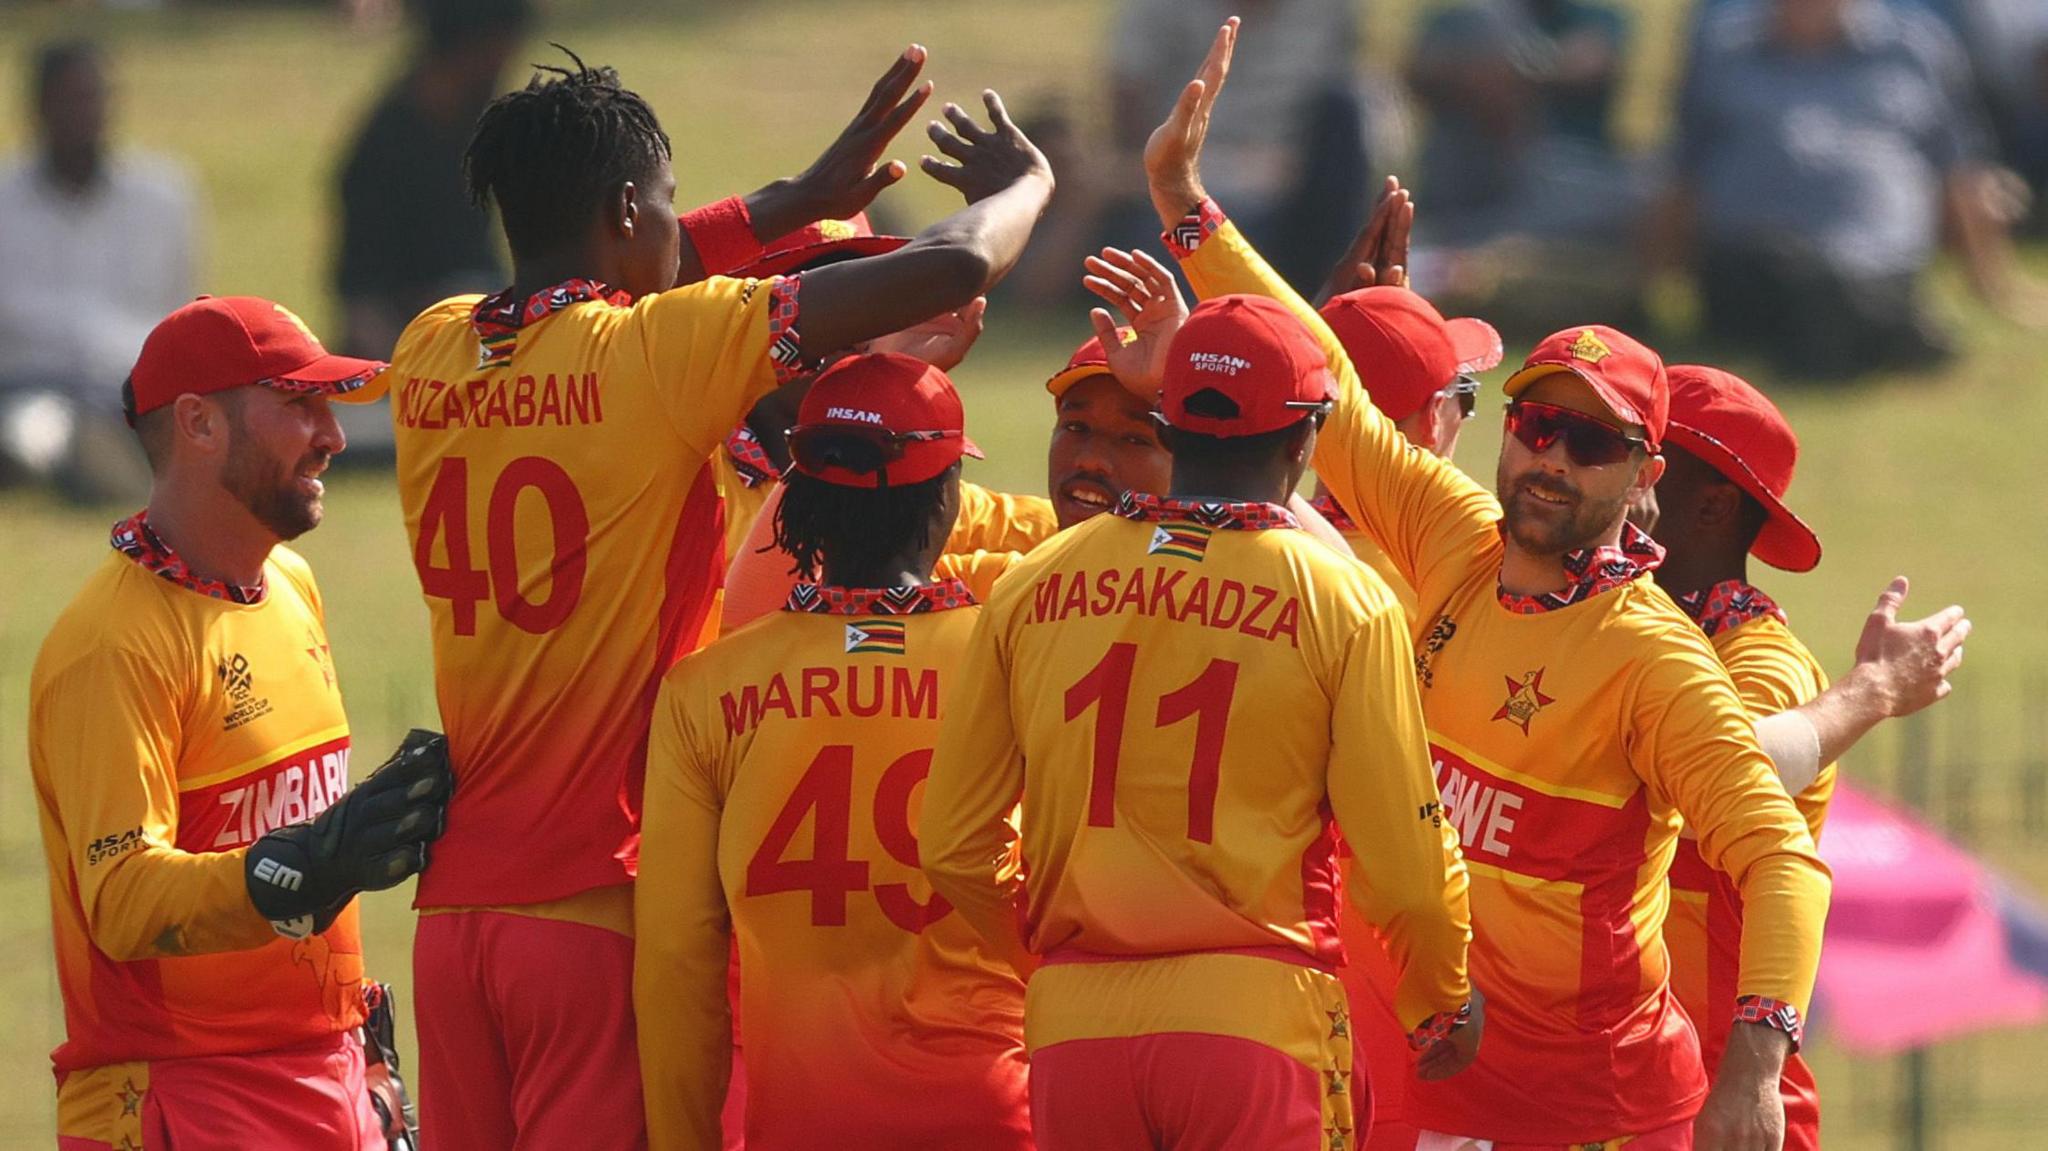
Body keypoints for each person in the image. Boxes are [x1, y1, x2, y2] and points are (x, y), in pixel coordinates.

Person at [1157, 19, 1831, 1148]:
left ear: (1644, 474)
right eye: (1532, 422)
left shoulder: (1650, 659)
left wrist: (1753, 1071)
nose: (1551, 458)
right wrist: (1184, 201)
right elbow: (1327, 386)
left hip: (1590, 1111)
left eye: (1591, 443)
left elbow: (1782, 860)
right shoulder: (1450, 533)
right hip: (1418, 1083)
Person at [385, 46, 1054, 1151]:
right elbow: (946, 273)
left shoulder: (433, 345)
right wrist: (1023, 189)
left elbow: (644, 258)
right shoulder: (654, 353)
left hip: (455, 919)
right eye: (659, 201)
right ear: (622, 209)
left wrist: (794, 201)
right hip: (591, 903)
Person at [923, 291, 1478, 1151]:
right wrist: (1440, 994)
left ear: (1170, 428)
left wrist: (1054, 958)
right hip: (1255, 1018)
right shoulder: (1343, 600)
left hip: (1074, 1031)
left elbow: (954, 843)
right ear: (1304, 440)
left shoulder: (1038, 580)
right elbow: (1403, 865)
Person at [28, 296, 452, 1150]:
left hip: (327, 1078)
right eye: (298, 403)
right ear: (199, 424)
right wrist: (302, 863)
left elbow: (291, 822)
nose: (331, 435)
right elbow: (121, 896)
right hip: (183, 1098)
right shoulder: (111, 645)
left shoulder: (291, 584)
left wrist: (368, 1071)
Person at [638, 353, 1030, 1150]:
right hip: (998, 1112)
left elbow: (678, 961)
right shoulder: (1016, 650)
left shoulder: (705, 689)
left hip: (803, 1121)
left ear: (800, 494)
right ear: (950, 496)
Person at [1652, 363, 1970, 1151]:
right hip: (1639, 1079)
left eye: (1642, 460)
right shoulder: (1615, 628)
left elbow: (1718, 774)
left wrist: (1871, 691)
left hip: (1722, 1098)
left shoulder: (1763, 658)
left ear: (1713, 504)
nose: (1612, 476)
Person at [1666, 0, 2048, 379]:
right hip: (1750, 262)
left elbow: (1959, 170)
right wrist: (1649, 289)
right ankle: (1875, 330)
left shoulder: (1913, 46)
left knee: (1839, 289)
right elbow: (1681, 173)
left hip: (1876, 263)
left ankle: (1844, 326)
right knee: (1799, 281)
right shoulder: (1722, 48)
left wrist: (1995, 286)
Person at [0, 38, 197, 501]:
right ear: (38, 108)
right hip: (26, 384)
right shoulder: (6, 201)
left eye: (91, 98)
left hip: (131, 389)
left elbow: (180, 310)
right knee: (34, 425)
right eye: (68, 100)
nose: (82, 115)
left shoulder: (163, 196)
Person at [334, 0, 533, 361]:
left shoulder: (478, 129)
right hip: (412, 340)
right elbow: (362, 301)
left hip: (479, 322)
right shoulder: (385, 148)